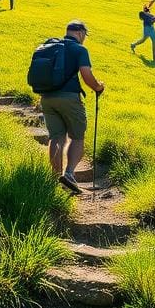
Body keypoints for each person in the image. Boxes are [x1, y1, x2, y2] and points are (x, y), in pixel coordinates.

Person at [39, 20, 105, 194]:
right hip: (69, 98)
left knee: (56, 137)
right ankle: (69, 174)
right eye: (85, 35)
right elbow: (86, 76)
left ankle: (55, 177)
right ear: (81, 33)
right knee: (77, 136)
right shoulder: (80, 50)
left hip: (46, 98)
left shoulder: (50, 46)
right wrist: (98, 87)